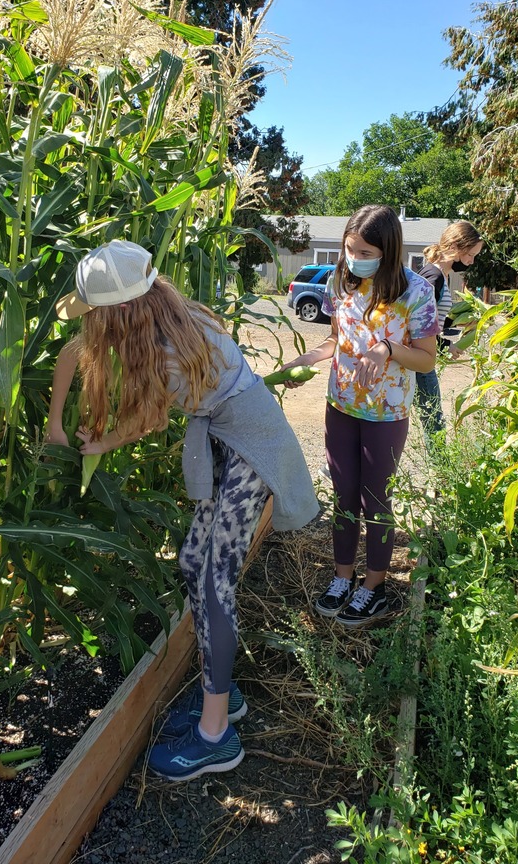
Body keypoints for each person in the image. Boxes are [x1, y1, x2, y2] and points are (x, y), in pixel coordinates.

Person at [45, 240, 319, 781]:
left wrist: (99, 443)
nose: (90, 324)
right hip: (223, 439)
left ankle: (216, 736)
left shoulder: (168, 352)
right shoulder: (165, 311)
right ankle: (223, 694)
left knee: (215, 577)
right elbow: (73, 353)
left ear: (120, 310)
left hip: (251, 447)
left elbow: (149, 420)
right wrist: (56, 423)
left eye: (94, 313)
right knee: (193, 562)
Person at [281, 206, 439, 626]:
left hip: (386, 413)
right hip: (341, 406)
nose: (354, 257)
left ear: (387, 251)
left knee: (375, 500)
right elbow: (336, 341)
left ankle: (374, 586)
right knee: (344, 495)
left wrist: (387, 348)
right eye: (350, 248)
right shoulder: (339, 282)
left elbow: (425, 361)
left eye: (364, 250)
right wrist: (305, 361)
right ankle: (342, 577)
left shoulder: (416, 292)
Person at [415, 221, 483, 439]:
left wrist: (462, 321)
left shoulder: (441, 275)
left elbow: (434, 319)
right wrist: (446, 345)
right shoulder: (433, 276)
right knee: (433, 421)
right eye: (470, 255)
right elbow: (419, 325)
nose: (471, 262)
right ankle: (440, 470)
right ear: (456, 247)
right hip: (419, 358)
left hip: (423, 355)